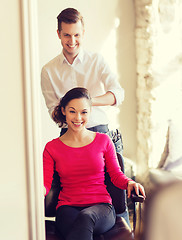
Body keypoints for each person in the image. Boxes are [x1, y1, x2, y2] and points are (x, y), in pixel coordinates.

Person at [43, 87, 146, 240]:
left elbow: (116, 175)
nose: (78, 117)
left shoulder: (104, 141)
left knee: (86, 217)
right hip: (67, 208)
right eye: (72, 111)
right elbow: (45, 183)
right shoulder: (52, 148)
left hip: (102, 207)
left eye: (84, 112)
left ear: (90, 112)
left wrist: (129, 183)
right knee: (81, 223)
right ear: (63, 111)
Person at [41, 7, 124, 135]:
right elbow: (53, 110)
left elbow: (118, 94)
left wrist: (88, 102)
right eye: (67, 35)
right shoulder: (48, 70)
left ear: (83, 33)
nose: (72, 41)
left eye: (77, 35)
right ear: (59, 34)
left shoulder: (97, 60)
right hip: (68, 133)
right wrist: (72, 115)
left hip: (99, 131)